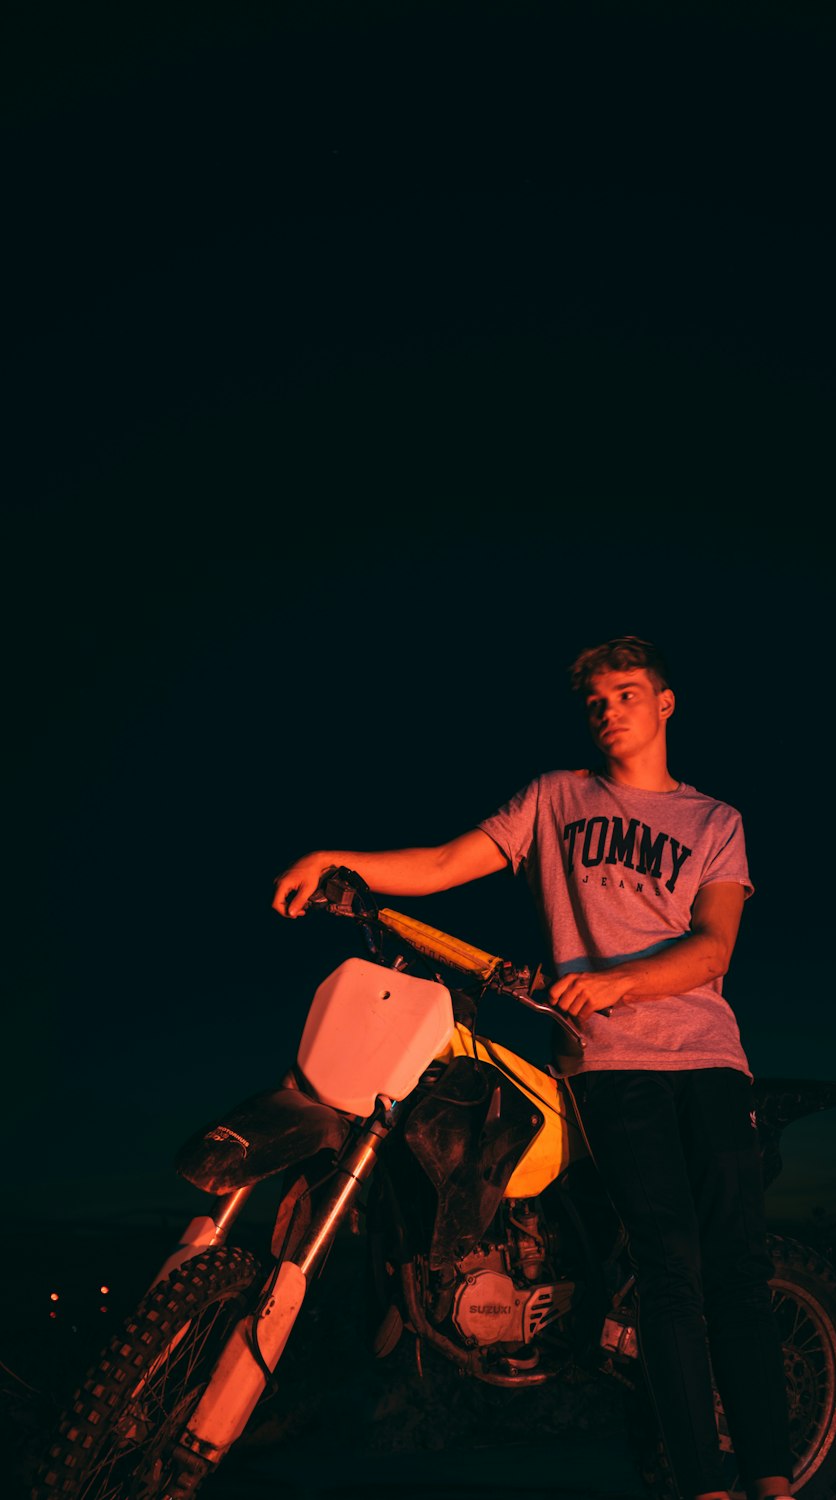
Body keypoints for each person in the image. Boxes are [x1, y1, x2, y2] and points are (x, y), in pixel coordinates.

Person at [272, 635, 793, 1500]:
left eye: (626, 693)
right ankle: (707, 1489)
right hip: (609, 1064)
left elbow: (713, 947)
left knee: (734, 1269)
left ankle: (774, 1484)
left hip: (710, 1059)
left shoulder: (714, 821)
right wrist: (337, 859)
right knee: (667, 1264)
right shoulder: (555, 799)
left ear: (665, 704)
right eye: (594, 700)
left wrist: (616, 978)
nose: (608, 710)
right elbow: (444, 863)